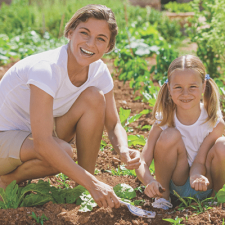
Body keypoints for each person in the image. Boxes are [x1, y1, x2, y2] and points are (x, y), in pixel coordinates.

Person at [0, 4, 141, 208]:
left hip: (28, 137)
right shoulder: (47, 69)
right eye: (85, 33)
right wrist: (95, 184)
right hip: (4, 137)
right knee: (61, 153)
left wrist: (124, 149)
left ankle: (81, 189)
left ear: (109, 46)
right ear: (70, 32)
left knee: (94, 97)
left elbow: (113, 124)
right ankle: (6, 181)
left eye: (101, 39)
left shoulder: (98, 71)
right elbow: (43, 143)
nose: (91, 44)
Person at [135, 55, 225, 210]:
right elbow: (143, 160)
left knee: (222, 145)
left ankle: (218, 199)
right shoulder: (164, 120)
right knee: (170, 135)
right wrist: (149, 180)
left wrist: (196, 176)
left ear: (203, 86)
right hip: (177, 185)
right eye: (178, 87)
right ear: (169, 88)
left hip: (206, 184)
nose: (185, 94)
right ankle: (163, 197)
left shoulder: (214, 122)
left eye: (192, 87)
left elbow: (200, 160)